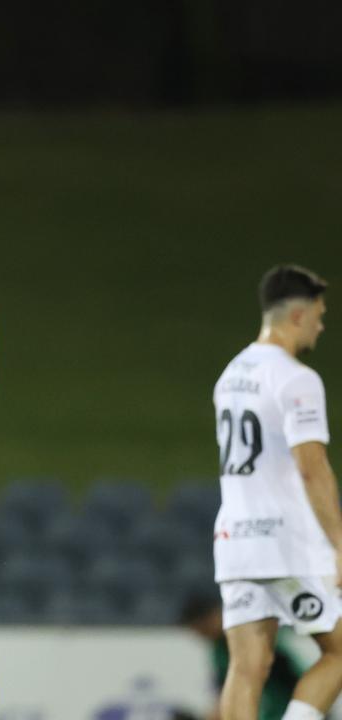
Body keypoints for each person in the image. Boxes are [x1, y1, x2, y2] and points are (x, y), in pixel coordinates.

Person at [212, 264, 342, 720]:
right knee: (340, 651)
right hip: (284, 540)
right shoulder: (296, 378)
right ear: (299, 316)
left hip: (235, 539)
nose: (323, 325)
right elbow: (312, 467)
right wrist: (339, 544)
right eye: (321, 315)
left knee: (247, 668)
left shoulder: (230, 375)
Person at [181, 593, 307, 720]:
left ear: (216, 615)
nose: (201, 635)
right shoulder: (219, 651)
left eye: (202, 628)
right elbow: (225, 695)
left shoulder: (260, 634)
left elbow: (297, 673)